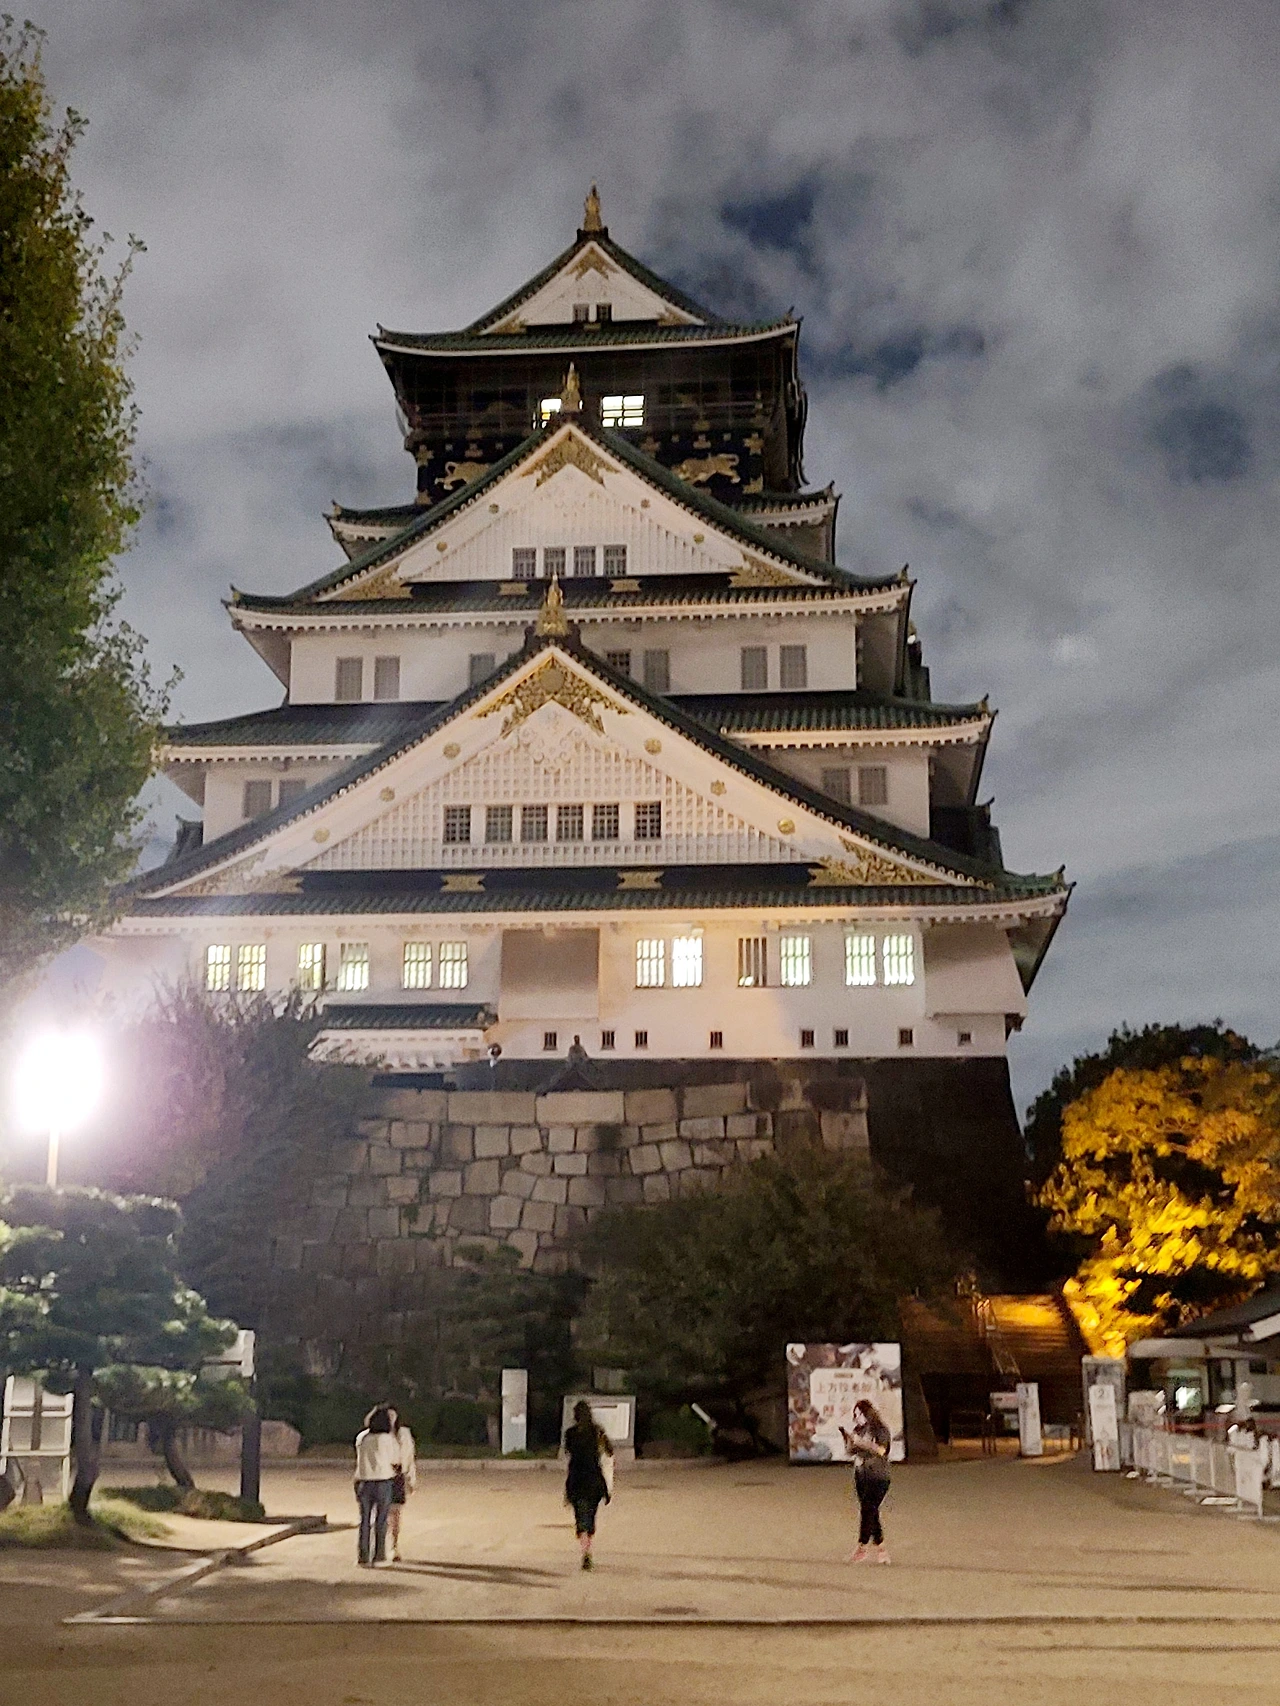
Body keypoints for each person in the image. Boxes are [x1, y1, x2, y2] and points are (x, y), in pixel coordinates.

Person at [840, 1399, 893, 1565]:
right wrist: (848, 1439)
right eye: (855, 1415)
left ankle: (861, 1547)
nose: (856, 1418)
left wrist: (862, 1443)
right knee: (871, 1511)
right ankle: (881, 1549)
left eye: (859, 1414)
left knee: (868, 1509)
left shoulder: (880, 1429)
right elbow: (850, 1452)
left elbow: (882, 1450)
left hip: (878, 1475)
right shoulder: (858, 1430)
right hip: (861, 1474)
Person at [563, 1398, 613, 1570]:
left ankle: (585, 1549)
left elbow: (568, 1451)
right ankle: (587, 1548)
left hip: (576, 1478)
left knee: (580, 1517)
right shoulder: (597, 1431)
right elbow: (609, 1451)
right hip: (594, 1478)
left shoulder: (570, 1433)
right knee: (590, 1516)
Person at [353, 1405, 400, 1567]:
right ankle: (379, 1556)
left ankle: (363, 1557)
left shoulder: (362, 1437)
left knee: (364, 1521)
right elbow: (395, 1459)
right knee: (381, 1520)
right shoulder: (388, 1439)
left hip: (364, 1480)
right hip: (383, 1481)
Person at [386, 1406, 417, 1563]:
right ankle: (380, 1545)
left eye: (393, 1415)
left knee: (396, 1513)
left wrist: (411, 1479)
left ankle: (394, 1546)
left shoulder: (404, 1433)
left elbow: (410, 1457)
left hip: (398, 1475)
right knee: (383, 1513)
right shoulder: (380, 1435)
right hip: (383, 1475)